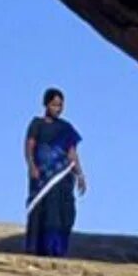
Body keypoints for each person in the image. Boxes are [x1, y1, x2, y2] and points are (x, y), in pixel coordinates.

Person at [24, 87, 86, 257]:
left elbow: (72, 152)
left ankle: (57, 250)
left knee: (64, 214)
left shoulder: (66, 128)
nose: (57, 109)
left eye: (60, 105)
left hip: (62, 179)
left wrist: (80, 174)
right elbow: (29, 146)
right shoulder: (37, 124)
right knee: (43, 213)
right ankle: (39, 249)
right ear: (46, 104)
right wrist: (31, 166)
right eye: (54, 105)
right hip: (41, 178)